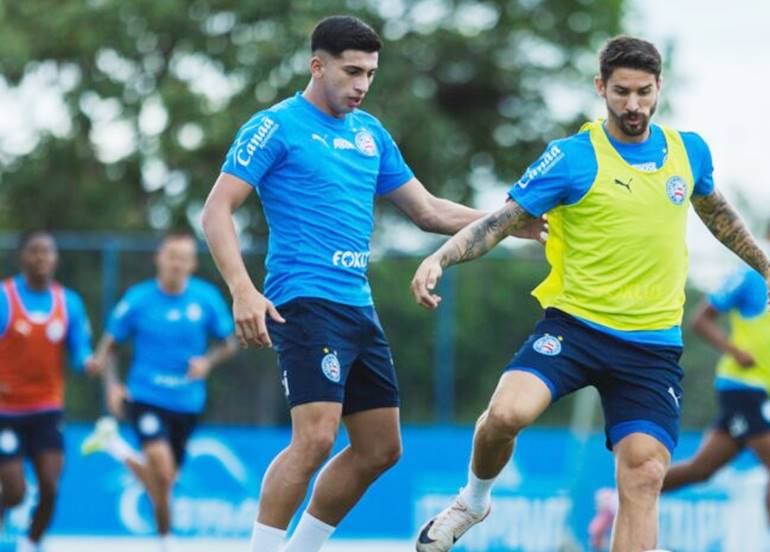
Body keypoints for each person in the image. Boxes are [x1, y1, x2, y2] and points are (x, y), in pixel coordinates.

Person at [410, 36, 770, 552]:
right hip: (575, 328)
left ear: (659, 87)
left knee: (645, 472)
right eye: (621, 92)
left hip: (651, 348)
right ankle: (473, 501)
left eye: (644, 92)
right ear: (601, 87)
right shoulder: (571, 157)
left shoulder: (689, 152)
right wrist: (440, 257)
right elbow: (500, 222)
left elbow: (719, 215)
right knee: (506, 415)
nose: (633, 104)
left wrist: (769, 270)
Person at [199, 15, 543, 552]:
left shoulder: (370, 134)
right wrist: (243, 290)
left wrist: (506, 222)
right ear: (318, 66)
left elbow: (428, 210)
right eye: (352, 71)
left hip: (357, 307)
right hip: (303, 300)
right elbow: (216, 209)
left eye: (370, 74)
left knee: (380, 448)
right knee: (315, 438)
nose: (362, 84)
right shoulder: (276, 126)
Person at [662, 214, 770, 552]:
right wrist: (733, 351)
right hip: (742, 386)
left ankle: (620, 495)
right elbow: (701, 320)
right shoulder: (750, 277)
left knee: (701, 470)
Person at [80, 231, 237, 551]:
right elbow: (110, 345)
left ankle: (114, 446)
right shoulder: (139, 299)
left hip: (188, 402)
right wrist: (111, 385)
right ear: (159, 258)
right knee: (162, 474)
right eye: (172, 256)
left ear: (192, 264)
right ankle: (168, 543)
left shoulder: (205, 298)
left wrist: (207, 363)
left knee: (165, 483)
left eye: (184, 258)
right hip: (145, 397)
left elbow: (229, 343)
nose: (177, 264)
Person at [0, 231, 96, 552]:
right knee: (15, 492)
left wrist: (88, 362)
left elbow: (80, 349)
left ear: (56, 258)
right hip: (6, 413)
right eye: (34, 251)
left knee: (51, 487)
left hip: (46, 409)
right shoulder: (5, 297)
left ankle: (31, 544)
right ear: (22, 257)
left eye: (47, 252)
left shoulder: (69, 303)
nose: (41, 258)